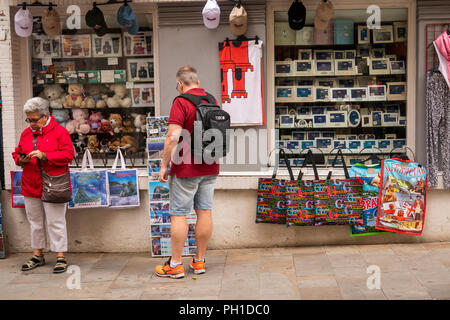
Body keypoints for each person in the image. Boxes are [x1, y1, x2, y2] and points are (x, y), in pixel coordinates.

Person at [155, 66, 219, 279]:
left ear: (180, 84)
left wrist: (164, 165)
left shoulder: (181, 101)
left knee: (179, 214)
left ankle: (175, 264)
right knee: (205, 211)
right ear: (197, 82)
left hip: (186, 167)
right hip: (210, 164)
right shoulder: (211, 100)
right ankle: (199, 261)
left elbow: (172, 137)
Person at [12, 97, 74, 273]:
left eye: (34, 120)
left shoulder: (60, 132)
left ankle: (61, 256)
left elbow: (68, 155)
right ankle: (37, 254)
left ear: (45, 116)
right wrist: (20, 159)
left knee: (56, 221)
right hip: (31, 182)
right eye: (28, 119)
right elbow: (17, 153)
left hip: (53, 182)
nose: (31, 123)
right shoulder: (26, 133)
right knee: (35, 222)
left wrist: (45, 156)